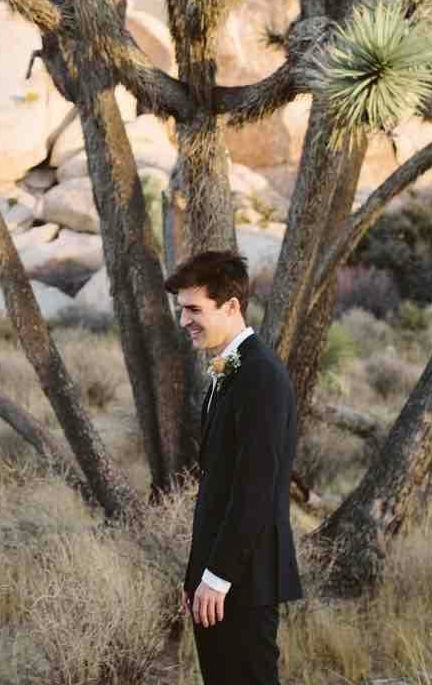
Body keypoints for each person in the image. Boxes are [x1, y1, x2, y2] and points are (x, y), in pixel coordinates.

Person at [166, 251, 302, 685]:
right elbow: (217, 488)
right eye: (181, 309)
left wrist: (218, 576)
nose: (184, 320)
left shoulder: (261, 375)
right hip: (218, 578)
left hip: (244, 578)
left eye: (194, 309)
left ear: (231, 306)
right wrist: (197, 577)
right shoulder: (230, 370)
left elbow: (255, 490)